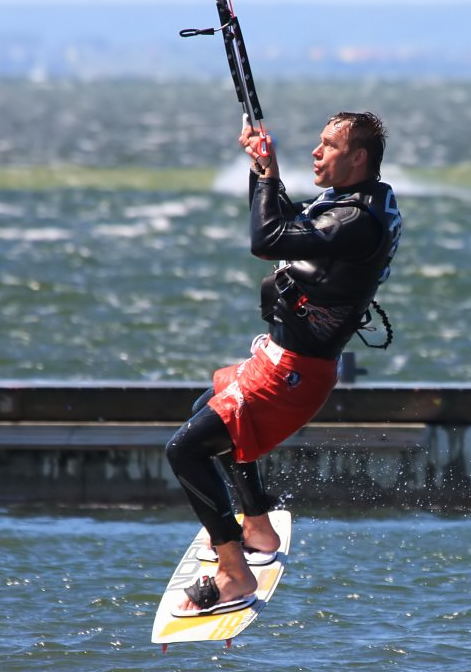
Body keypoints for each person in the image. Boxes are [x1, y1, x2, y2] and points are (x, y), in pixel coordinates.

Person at [165, 111, 402, 616]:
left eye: (328, 145)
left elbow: (267, 240)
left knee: (185, 451)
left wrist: (269, 177)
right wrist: (262, 168)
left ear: (358, 157)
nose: (316, 152)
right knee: (207, 411)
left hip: (292, 375)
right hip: (282, 361)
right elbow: (294, 228)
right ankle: (257, 528)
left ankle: (234, 575)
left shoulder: (356, 220)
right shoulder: (358, 204)